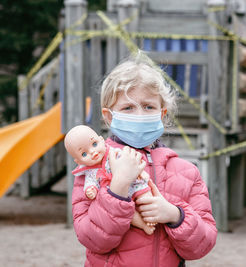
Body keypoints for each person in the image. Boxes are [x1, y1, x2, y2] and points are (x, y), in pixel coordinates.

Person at [71, 55, 217, 266]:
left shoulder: (186, 172)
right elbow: (93, 239)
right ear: (109, 116)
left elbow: (203, 244)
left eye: (148, 107)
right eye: (128, 108)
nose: (139, 114)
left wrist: (175, 215)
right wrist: (118, 188)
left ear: (162, 113)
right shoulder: (92, 170)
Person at [64, 124, 156, 235]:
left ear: (102, 140)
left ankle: (152, 216)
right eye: (84, 153)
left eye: (94, 144)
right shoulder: (90, 172)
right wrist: (91, 189)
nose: (93, 152)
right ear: (78, 161)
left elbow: (131, 162)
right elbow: (91, 182)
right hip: (117, 196)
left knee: (145, 195)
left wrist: (141, 172)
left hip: (134, 183)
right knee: (129, 214)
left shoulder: (114, 152)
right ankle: (143, 224)